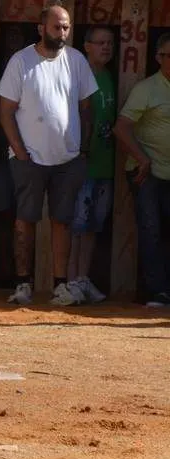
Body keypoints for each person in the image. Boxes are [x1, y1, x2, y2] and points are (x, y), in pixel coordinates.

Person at [0, 5, 96, 307]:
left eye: (66, 27)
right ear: (41, 28)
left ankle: (60, 286)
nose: (62, 33)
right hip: (29, 159)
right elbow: (5, 111)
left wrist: (83, 150)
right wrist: (19, 150)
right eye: (57, 27)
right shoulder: (21, 61)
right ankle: (23, 284)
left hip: (68, 160)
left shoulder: (77, 60)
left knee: (62, 222)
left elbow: (88, 108)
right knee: (25, 220)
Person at [113, 32, 170, 307]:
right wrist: (143, 159)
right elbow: (121, 128)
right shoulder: (147, 89)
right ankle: (156, 292)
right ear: (159, 58)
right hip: (147, 173)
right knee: (151, 230)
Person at [68, 27, 116, 304]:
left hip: (104, 163)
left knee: (93, 225)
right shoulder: (78, 76)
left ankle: (83, 278)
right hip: (81, 162)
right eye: (100, 43)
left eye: (109, 43)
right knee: (77, 224)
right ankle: (71, 280)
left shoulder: (109, 76)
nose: (106, 48)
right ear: (86, 46)